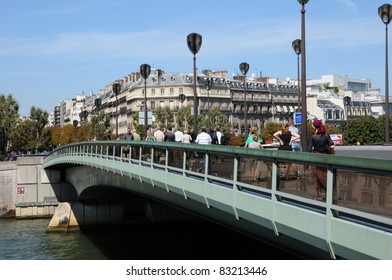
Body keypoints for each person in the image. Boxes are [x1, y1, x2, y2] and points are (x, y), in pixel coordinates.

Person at [308, 119, 335, 200]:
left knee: (315, 178)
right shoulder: (326, 135)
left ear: (314, 126)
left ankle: (319, 195)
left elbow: (309, 149)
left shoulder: (313, 136)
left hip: (315, 159)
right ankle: (328, 194)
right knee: (325, 176)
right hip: (324, 158)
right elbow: (332, 146)